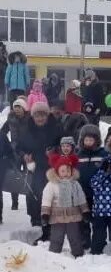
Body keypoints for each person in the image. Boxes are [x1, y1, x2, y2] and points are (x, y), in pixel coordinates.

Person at [14, 101, 63, 239]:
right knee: (34, 195)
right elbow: (18, 147)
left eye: (43, 115)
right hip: (34, 168)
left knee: (51, 195)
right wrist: (24, 156)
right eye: (37, 116)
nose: (40, 118)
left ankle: (52, 224)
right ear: (33, 116)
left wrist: (55, 151)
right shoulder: (27, 129)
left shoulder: (56, 128)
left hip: (52, 168)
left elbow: (65, 144)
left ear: (47, 116)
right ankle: (36, 221)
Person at [42, 153, 89, 257]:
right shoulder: (52, 184)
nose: (66, 173)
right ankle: (54, 255)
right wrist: (45, 214)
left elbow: (81, 197)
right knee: (56, 237)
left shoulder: (75, 184)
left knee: (75, 236)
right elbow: (46, 199)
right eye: (63, 171)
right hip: (57, 217)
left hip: (73, 216)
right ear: (57, 171)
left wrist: (85, 211)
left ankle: (78, 254)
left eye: (68, 170)